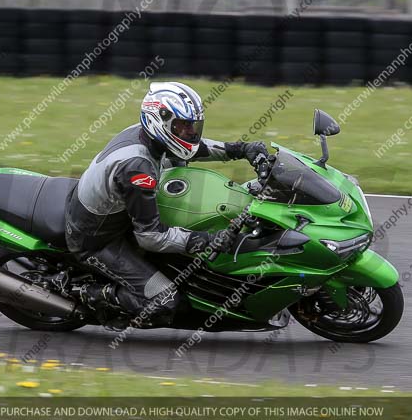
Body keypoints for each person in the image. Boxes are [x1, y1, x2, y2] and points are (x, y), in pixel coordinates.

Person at [64, 81, 268, 326]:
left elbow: (193, 149)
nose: (190, 133)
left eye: (193, 126)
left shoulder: (149, 136)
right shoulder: (138, 169)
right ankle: (93, 295)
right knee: (166, 299)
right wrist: (206, 240)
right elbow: (150, 237)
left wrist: (241, 149)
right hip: (96, 239)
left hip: (113, 212)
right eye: (183, 126)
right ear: (160, 121)